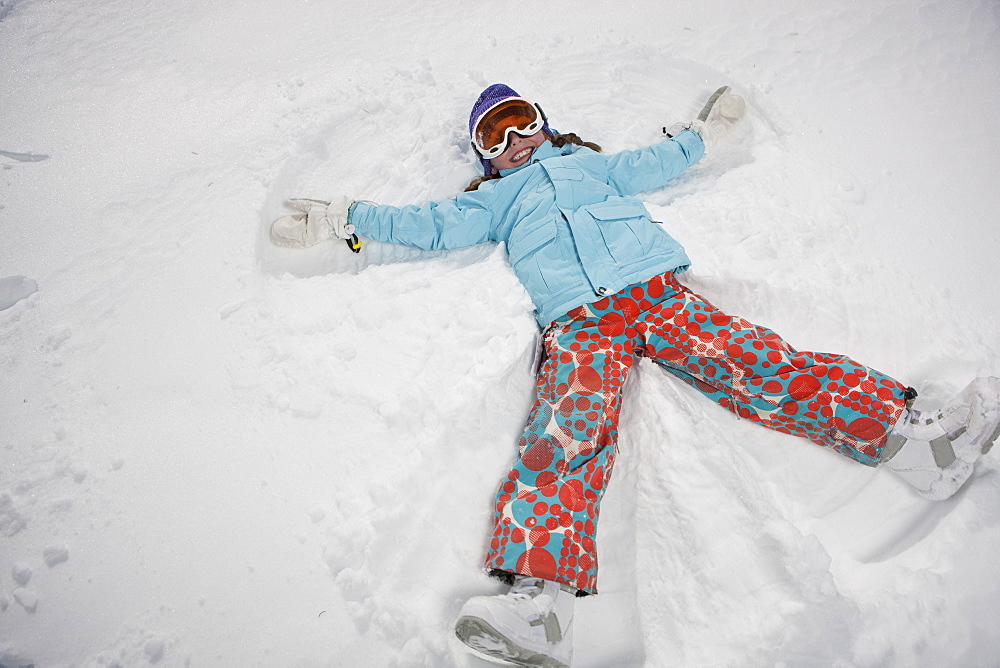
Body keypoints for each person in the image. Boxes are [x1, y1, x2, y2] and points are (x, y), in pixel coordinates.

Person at [269, 84, 1000, 667]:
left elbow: (661, 164)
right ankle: (540, 611)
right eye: (495, 135)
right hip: (580, 322)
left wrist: (705, 134)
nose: (514, 139)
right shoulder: (491, 201)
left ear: (545, 123)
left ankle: (917, 444)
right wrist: (344, 216)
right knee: (565, 436)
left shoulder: (593, 165)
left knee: (763, 365)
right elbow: (426, 224)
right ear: (485, 157)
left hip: (658, 293)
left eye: (519, 120)